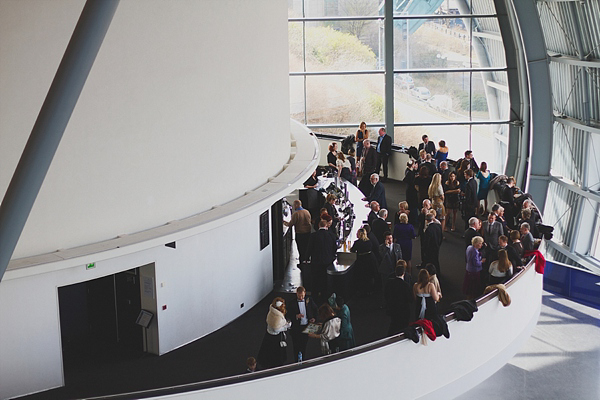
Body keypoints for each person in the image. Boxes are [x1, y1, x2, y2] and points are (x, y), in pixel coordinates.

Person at [257, 297, 291, 369]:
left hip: (268, 335)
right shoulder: (278, 317)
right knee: (275, 355)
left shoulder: (271, 312)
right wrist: (286, 326)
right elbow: (276, 329)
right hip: (275, 338)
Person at [307, 220, 337, 298]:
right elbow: (335, 248)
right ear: (326, 226)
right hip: (327, 262)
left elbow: (309, 249)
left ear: (319, 226)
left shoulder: (313, 236)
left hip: (316, 262)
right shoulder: (331, 235)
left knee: (315, 280)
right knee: (325, 280)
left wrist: (306, 258)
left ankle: (315, 297)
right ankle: (324, 297)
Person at [288, 286, 318, 362]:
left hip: (306, 326)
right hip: (296, 328)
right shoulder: (292, 303)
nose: (301, 298)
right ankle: (296, 361)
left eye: (302, 296)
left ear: (305, 294)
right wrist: (296, 316)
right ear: (296, 294)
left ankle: (303, 359)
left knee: (304, 344)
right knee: (296, 345)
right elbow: (287, 315)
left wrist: (314, 318)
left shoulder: (309, 300)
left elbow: (315, 309)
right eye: (299, 296)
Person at [384, 261, 413, 335]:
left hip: (393, 308)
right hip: (404, 310)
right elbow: (410, 298)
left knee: (394, 323)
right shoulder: (406, 285)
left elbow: (386, 294)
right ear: (403, 273)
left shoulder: (389, 283)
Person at [350, 228, 379, 295]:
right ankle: (369, 290)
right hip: (370, 259)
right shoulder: (369, 241)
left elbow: (352, 250)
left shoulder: (357, 243)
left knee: (362, 276)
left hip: (362, 261)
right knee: (369, 275)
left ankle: (362, 290)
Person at [283, 200, 312, 264]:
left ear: (296, 205)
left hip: (300, 233)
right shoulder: (307, 212)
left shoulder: (296, 214)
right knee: (307, 247)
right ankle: (307, 260)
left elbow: (291, 224)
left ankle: (302, 262)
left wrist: (284, 222)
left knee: (301, 248)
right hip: (308, 232)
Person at [404, 160, 420, 225]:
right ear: (412, 165)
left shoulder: (408, 171)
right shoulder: (410, 173)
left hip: (409, 191)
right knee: (413, 205)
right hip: (412, 191)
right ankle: (414, 220)